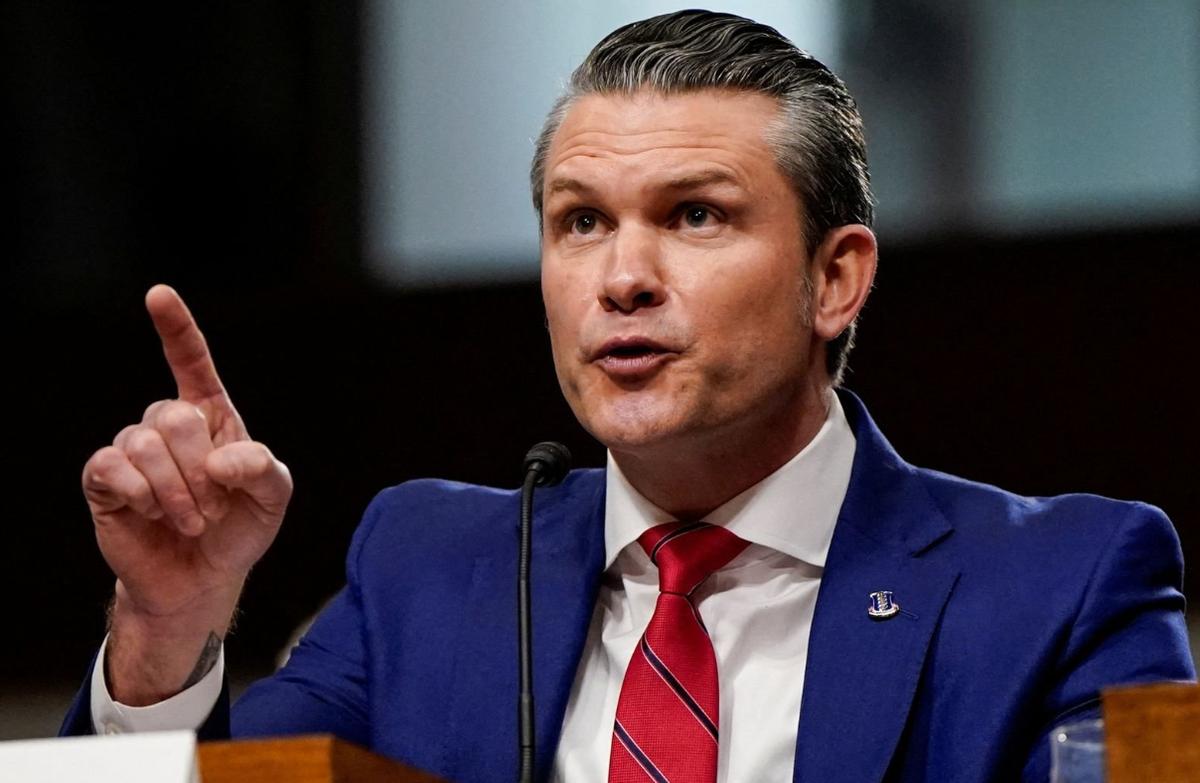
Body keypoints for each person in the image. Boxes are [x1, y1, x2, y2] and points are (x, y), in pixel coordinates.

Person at [62, 10, 1194, 783]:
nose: (622, 278)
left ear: (835, 279)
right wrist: (164, 630)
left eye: (695, 214)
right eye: (582, 221)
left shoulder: (1065, 585)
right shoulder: (425, 568)